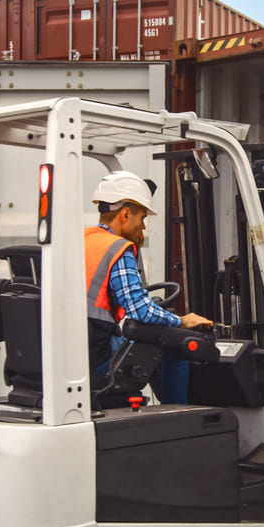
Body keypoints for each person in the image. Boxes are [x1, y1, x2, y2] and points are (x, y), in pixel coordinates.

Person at [85, 170, 212, 404]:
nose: (142, 225)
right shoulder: (118, 248)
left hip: (77, 346)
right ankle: (178, 419)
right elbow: (140, 310)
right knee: (175, 353)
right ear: (124, 214)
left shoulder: (83, 238)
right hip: (96, 352)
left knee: (140, 346)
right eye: (142, 218)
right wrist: (183, 321)